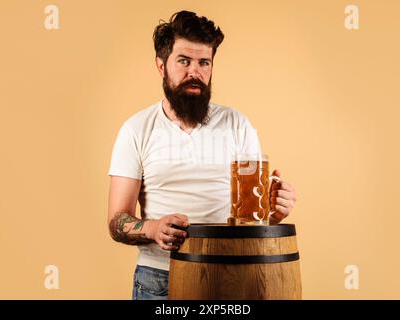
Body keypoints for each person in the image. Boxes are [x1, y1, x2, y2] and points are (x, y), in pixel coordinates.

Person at [107, 10, 297, 300]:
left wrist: (274, 212)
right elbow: (117, 221)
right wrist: (153, 228)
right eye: (183, 61)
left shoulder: (237, 124)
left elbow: (254, 218)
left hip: (234, 270)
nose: (194, 72)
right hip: (160, 278)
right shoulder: (136, 129)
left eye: (203, 62)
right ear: (161, 66)